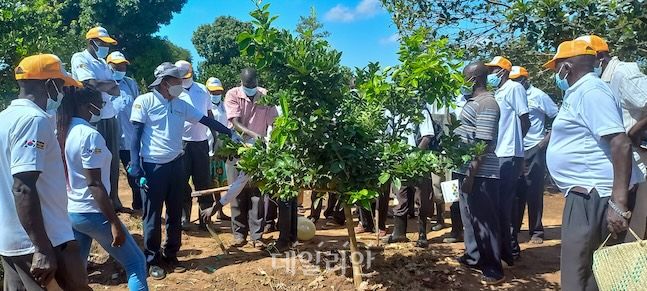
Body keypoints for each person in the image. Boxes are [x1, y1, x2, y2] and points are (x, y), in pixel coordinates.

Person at [127, 62, 239, 280]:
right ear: (164, 82)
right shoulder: (144, 102)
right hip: (153, 166)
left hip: (176, 165)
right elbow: (135, 137)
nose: (181, 84)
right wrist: (136, 167)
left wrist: (229, 132)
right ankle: (152, 260)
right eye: (177, 80)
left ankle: (171, 255)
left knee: (175, 212)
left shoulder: (180, 104)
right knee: (152, 215)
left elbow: (205, 120)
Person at [544, 39, 640, 290]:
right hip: (587, 193)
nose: (556, 74)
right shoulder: (580, 91)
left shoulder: (590, 91)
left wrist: (618, 204)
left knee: (580, 272)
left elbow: (620, 143)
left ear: (566, 67)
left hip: (593, 195)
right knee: (589, 272)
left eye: (556, 69)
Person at [0, 54, 90, 290]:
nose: (62, 92)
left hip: (12, 241)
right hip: (43, 242)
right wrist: (41, 248)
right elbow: (22, 187)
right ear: (49, 84)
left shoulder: (4, 119)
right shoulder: (34, 120)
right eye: (61, 85)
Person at [58, 87, 148, 291]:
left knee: (77, 273)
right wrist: (114, 221)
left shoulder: (64, 131)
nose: (102, 107)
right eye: (101, 103)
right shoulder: (89, 135)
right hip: (93, 212)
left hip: (73, 211)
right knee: (136, 264)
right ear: (86, 105)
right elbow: (94, 183)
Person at [577, 34, 647, 242]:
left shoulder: (623, 73)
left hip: (637, 158)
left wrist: (634, 132)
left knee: (635, 227)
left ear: (599, 57)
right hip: (622, 162)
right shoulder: (601, 80)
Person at [453, 61, 503, 284]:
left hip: (481, 173)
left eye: (465, 77)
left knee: (485, 220)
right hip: (465, 169)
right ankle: (473, 257)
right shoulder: (472, 101)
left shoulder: (487, 103)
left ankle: (493, 267)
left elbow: (483, 143)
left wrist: (471, 176)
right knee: (469, 217)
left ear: (473, 79)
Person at [218, 68, 279, 249]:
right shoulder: (232, 94)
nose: (251, 88)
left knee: (256, 194)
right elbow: (235, 122)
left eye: (253, 85)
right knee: (237, 193)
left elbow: (272, 122)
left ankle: (257, 235)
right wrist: (253, 135)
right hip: (237, 147)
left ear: (257, 82)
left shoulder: (265, 95)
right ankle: (239, 234)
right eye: (247, 85)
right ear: (242, 82)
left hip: (258, 150)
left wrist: (267, 141)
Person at [71, 27, 127, 213]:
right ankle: (98, 202)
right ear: (91, 41)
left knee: (112, 158)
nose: (105, 47)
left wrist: (103, 85)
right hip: (92, 116)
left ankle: (114, 200)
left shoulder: (103, 63)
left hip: (109, 115)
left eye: (106, 44)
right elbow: (90, 84)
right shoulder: (80, 58)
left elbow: (116, 89)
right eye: (102, 43)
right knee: (95, 160)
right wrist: (106, 85)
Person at [485, 56, 530, 263]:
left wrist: (516, 146)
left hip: (509, 153)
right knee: (498, 203)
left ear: (503, 71)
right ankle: (505, 249)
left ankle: (511, 250)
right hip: (498, 153)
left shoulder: (514, 88)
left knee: (505, 203)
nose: (491, 73)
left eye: (494, 69)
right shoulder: (498, 92)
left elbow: (524, 120)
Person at [509, 66, 558, 245]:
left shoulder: (538, 95)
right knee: (516, 190)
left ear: (525, 79)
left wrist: (544, 142)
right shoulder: (509, 94)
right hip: (516, 149)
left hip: (534, 148)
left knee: (534, 191)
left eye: (516, 80)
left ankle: (536, 230)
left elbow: (557, 116)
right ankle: (514, 229)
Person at [382, 104, 435, 248]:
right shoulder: (391, 110)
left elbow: (427, 136)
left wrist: (415, 158)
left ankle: (422, 235)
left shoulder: (419, 109)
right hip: (399, 162)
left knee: (421, 198)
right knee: (400, 196)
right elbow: (387, 135)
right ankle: (399, 233)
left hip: (419, 163)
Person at [174, 60, 216, 230]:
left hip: (201, 142)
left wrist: (216, 136)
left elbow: (209, 114)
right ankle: (184, 217)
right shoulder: (174, 91)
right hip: (181, 143)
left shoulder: (202, 90)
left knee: (203, 181)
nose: (184, 80)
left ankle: (205, 219)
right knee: (182, 181)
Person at [107, 51, 142, 213]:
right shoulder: (103, 83)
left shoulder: (130, 84)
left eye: (123, 66)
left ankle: (139, 205)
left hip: (129, 139)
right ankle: (113, 204)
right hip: (109, 138)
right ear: (109, 66)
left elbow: (138, 106)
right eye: (117, 66)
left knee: (134, 173)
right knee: (109, 172)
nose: (121, 68)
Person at [205, 77, 231, 221]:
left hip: (223, 149)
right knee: (211, 181)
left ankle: (220, 211)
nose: (216, 94)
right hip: (209, 149)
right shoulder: (205, 107)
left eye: (218, 92)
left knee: (222, 181)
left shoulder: (225, 106)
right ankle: (210, 211)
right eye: (213, 92)